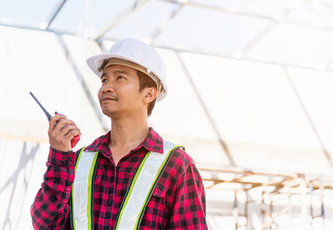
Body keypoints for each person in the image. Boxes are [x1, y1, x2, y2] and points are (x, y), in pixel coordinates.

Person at [30, 38, 207, 230]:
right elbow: (45, 224)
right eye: (104, 79)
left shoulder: (177, 165)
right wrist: (59, 156)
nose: (106, 86)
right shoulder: (78, 161)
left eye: (120, 78)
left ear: (149, 94)